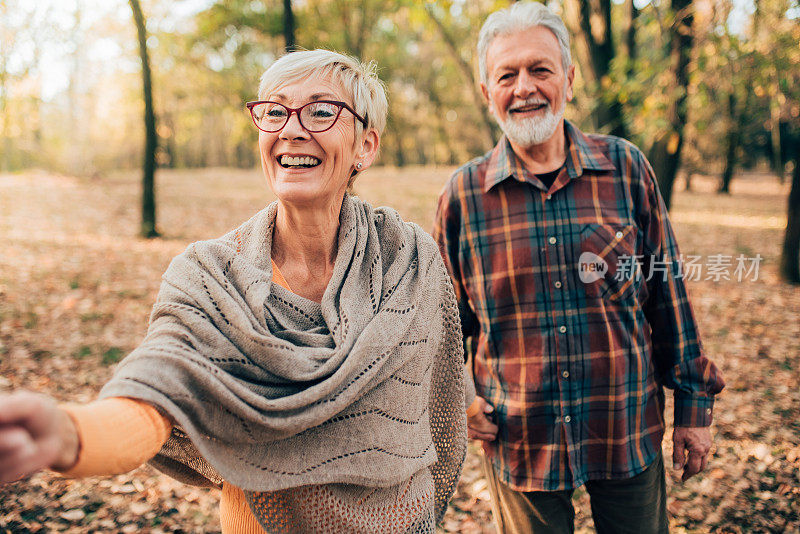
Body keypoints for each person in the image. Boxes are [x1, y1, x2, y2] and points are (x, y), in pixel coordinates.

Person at [0, 49, 468, 534]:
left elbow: (436, 393)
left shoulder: (409, 261)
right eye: (274, 111)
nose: (291, 129)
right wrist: (67, 434)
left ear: (365, 147)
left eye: (321, 111)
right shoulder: (209, 276)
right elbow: (154, 397)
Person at [432, 3, 725, 533]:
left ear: (568, 78)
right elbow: (444, 328)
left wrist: (693, 409)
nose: (524, 87)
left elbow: (667, 295)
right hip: (521, 439)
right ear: (487, 93)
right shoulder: (463, 197)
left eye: (540, 69)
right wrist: (462, 400)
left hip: (626, 424)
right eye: (507, 75)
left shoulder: (626, 168)